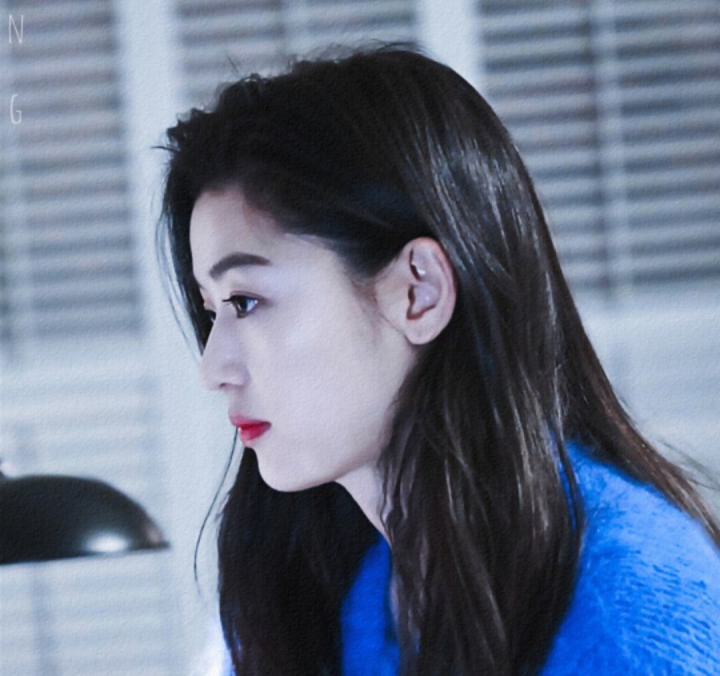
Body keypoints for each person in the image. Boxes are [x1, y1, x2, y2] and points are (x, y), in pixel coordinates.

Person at [159, 45, 720, 676]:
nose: (214, 369)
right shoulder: (360, 595)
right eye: (213, 310)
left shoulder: (628, 620)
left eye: (246, 301)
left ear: (418, 292)